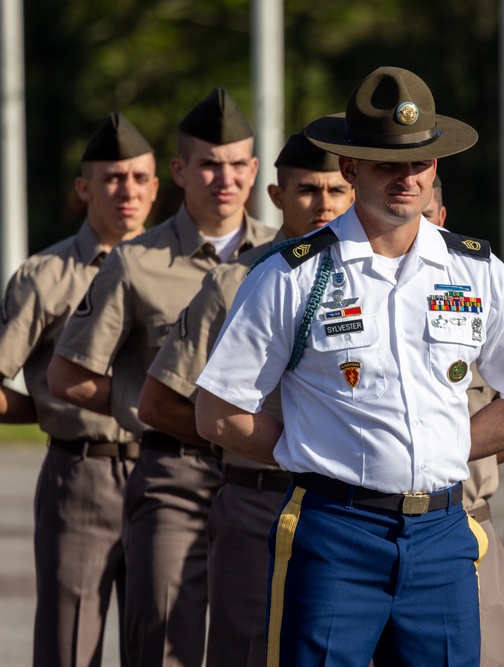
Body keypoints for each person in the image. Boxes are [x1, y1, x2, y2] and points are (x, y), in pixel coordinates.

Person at [194, 66, 504, 667]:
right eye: (387, 162)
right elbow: (218, 413)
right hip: (334, 533)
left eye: (418, 162)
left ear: (436, 168)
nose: (406, 177)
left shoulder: (474, 270)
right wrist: (316, 451)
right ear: (350, 169)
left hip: (445, 535)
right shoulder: (293, 274)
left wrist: (435, 450)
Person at [49, 88, 274, 667]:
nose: (223, 179)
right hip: (174, 473)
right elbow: (69, 376)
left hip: (260, 480)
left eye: (235, 165)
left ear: (253, 171)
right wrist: (160, 410)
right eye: (207, 164)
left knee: (253, 645)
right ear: (179, 170)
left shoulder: (284, 259)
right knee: (162, 646)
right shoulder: (135, 260)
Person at [136, 131, 354, 667]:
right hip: (259, 498)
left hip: (349, 507)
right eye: (307, 190)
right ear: (278, 196)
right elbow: (160, 403)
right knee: (244, 650)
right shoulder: (234, 280)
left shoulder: (379, 280)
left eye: (336, 190)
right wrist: (274, 446)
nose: (323, 204)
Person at [0, 113, 157, 667]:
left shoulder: (181, 270)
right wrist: (42, 408)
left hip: (166, 475)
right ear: (84, 188)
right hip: (81, 474)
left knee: (163, 644)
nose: (128, 190)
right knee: (69, 646)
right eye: (113, 178)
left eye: (139, 178)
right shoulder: (44, 275)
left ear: (158, 187)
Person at [421, 174, 504, 667]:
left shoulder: (478, 284)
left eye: (426, 214)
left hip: (468, 523)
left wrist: (441, 455)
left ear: (442, 218)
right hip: (365, 528)